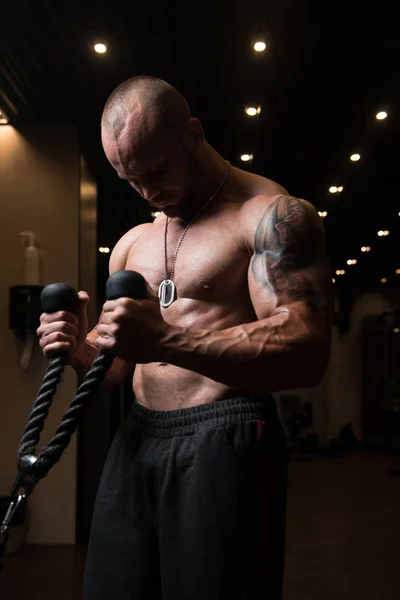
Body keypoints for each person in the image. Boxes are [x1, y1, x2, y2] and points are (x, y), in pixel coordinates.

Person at [37, 76, 333, 599]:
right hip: (138, 436)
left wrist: (166, 340)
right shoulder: (133, 244)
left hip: (226, 435)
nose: (149, 192)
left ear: (193, 134)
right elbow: (121, 371)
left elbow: (306, 348)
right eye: (132, 181)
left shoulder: (269, 214)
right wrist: (83, 351)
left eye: (157, 171)